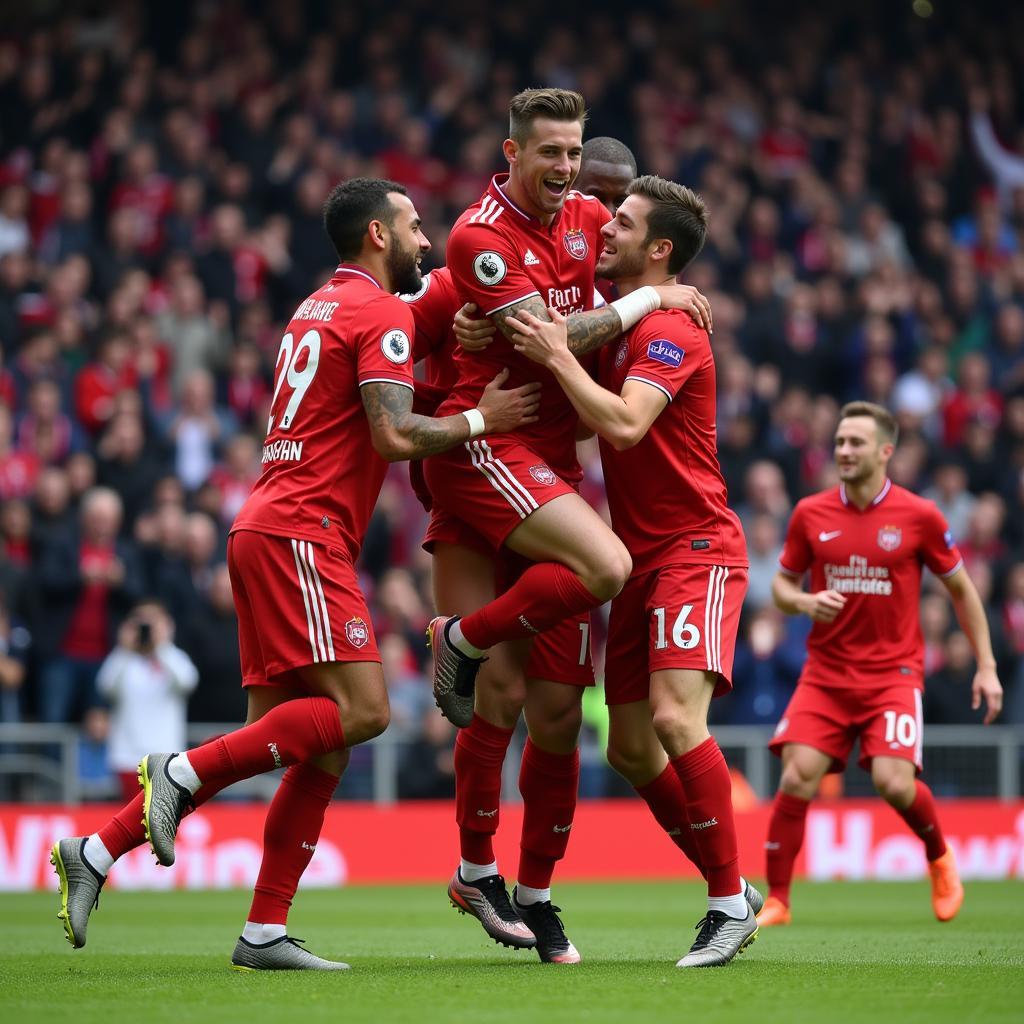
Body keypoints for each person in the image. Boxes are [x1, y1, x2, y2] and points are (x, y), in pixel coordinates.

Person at [49, 176, 539, 969]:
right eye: (415, 227)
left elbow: (424, 312)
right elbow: (392, 433)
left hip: (265, 525)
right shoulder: (377, 311)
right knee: (367, 712)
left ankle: (127, 866)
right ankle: (179, 770)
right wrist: (486, 418)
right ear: (378, 234)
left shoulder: (317, 306)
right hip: (303, 535)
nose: (425, 240)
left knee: (310, 745)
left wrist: (472, 320)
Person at [420, 91, 710, 962]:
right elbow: (538, 329)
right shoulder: (479, 237)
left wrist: (643, 291)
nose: (566, 168)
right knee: (569, 609)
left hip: (552, 467)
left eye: (573, 152)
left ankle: (534, 891)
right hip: (485, 452)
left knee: (552, 714)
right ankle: (475, 857)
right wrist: (647, 299)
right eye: (549, 151)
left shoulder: (588, 218)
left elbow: (612, 274)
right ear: (509, 153)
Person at [509, 175, 758, 967]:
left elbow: (620, 423)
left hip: (695, 549)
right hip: (640, 560)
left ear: (659, 250)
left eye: (621, 222)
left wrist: (555, 351)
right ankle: (732, 887)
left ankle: (724, 905)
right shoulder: (634, 322)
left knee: (678, 721)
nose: (603, 231)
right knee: (630, 749)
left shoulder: (673, 335)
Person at [756, 401, 1003, 928]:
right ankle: (778, 898)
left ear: (885, 451)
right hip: (825, 672)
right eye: (840, 442)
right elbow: (781, 586)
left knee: (893, 782)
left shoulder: (920, 516)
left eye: (856, 443)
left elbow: (961, 590)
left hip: (893, 675)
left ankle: (939, 858)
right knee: (798, 775)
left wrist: (986, 665)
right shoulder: (810, 513)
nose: (843, 451)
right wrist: (802, 604)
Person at [95, 598, 198, 800]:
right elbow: (105, 686)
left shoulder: (174, 657)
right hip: (127, 756)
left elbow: (187, 681)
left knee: (161, 825)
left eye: (153, 621)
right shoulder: (123, 660)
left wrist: (161, 645)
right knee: (133, 826)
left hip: (166, 758)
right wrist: (124, 648)